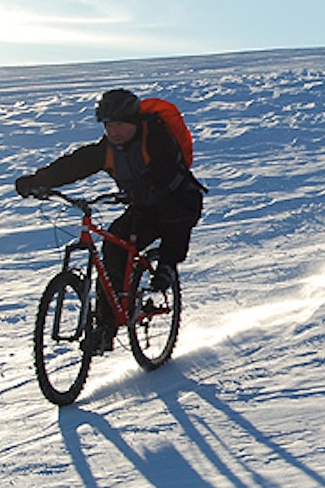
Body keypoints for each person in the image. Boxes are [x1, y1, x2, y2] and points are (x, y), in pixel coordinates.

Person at [15, 89, 204, 351]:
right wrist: (38, 181)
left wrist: (149, 185)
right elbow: (76, 164)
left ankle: (166, 269)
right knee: (114, 243)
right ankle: (105, 326)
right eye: (108, 126)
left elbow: (165, 169)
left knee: (173, 226)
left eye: (119, 125)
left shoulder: (156, 137)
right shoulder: (108, 149)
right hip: (143, 206)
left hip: (178, 199)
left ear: (134, 122)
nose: (113, 132)